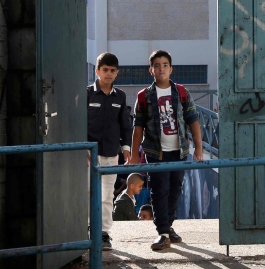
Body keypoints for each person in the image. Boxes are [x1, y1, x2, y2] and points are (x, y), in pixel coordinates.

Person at [129, 49, 203, 251]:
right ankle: (162, 232)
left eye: (164, 65)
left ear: (171, 68)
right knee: (158, 191)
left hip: (179, 151)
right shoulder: (144, 96)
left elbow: (193, 120)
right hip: (155, 152)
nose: (161, 68)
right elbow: (138, 127)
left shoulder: (181, 92)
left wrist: (198, 147)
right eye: (156, 65)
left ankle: (168, 227)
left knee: (174, 190)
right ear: (150, 70)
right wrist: (135, 154)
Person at [87, 52, 132, 251]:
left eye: (112, 70)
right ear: (97, 71)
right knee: (88, 192)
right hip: (89, 153)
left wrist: (126, 148)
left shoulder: (120, 96)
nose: (108, 74)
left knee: (106, 194)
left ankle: (104, 233)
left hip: (111, 153)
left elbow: (125, 125)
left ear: (117, 73)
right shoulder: (87, 94)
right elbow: (78, 122)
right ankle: (88, 229)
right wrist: (82, 147)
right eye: (105, 70)